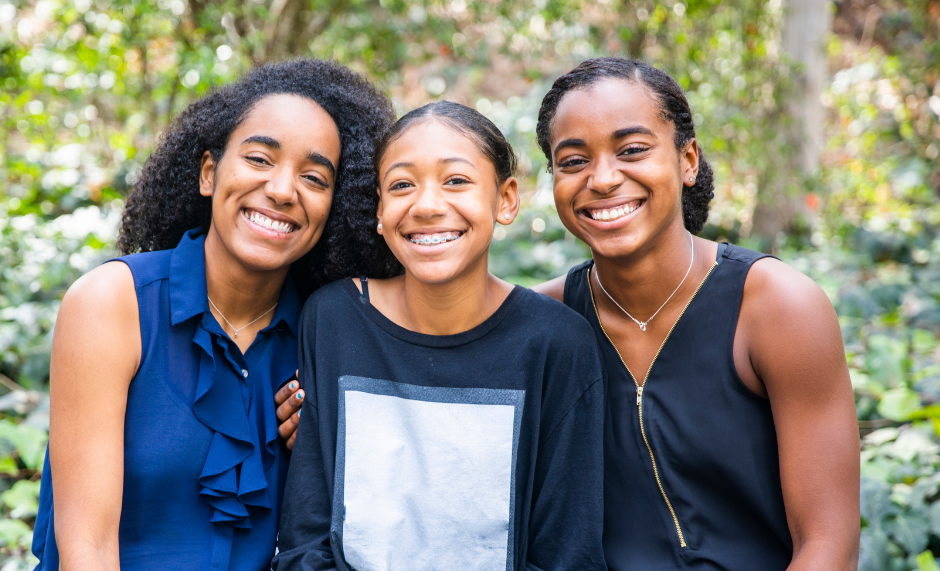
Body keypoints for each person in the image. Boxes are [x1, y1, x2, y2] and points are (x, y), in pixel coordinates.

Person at [31, 59, 399, 571]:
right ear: (209, 172)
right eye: (259, 159)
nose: (282, 190)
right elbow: (86, 551)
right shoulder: (114, 303)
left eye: (314, 177)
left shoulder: (325, 335)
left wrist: (319, 445)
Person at [532, 57, 861, 570]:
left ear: (687, 160)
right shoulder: (547, 321)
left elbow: (828, 544)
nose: (602, 178)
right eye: (573, 161)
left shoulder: (776, 307)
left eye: (632, 150)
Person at [273, 101, 607, 571]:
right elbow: (305, 542)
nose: (427, 205)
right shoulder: (334, 318)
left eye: (456, 181)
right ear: (380, 208)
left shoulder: (556, 343)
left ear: (505, 199)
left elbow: (567, 555)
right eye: (402, 185)